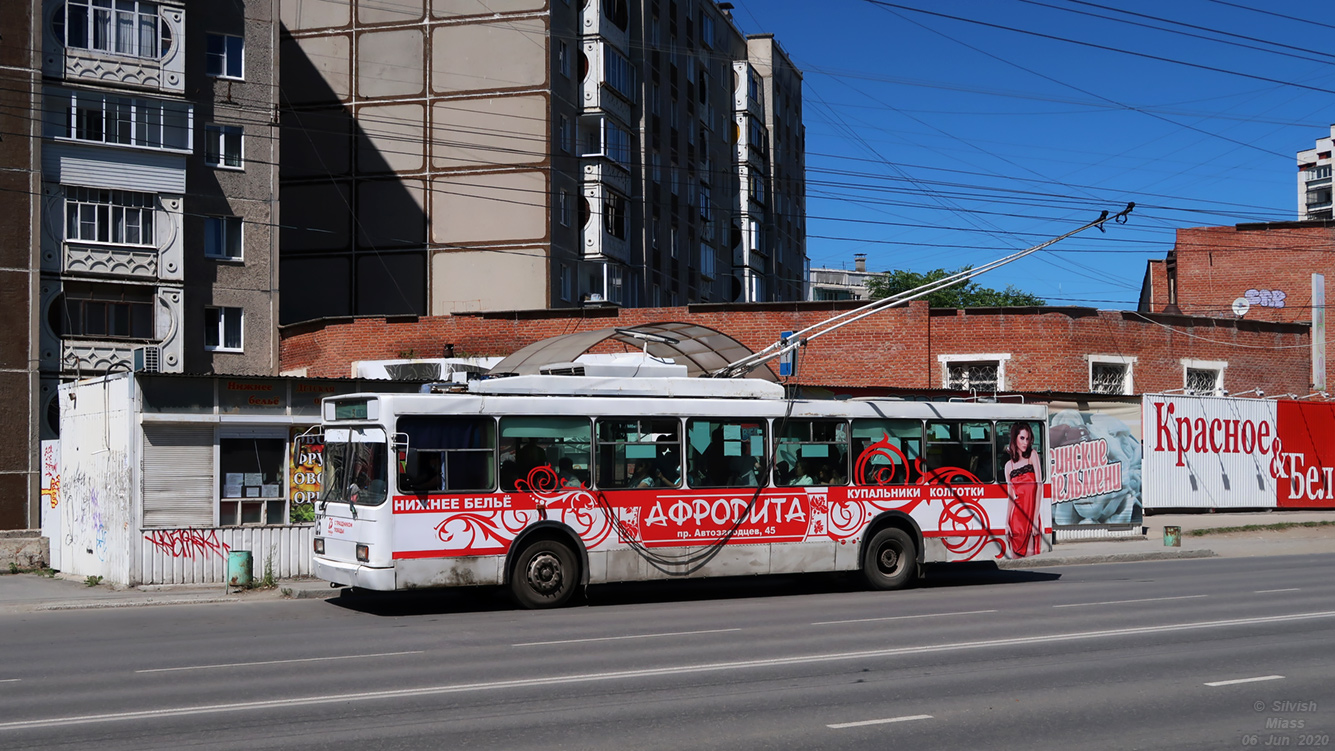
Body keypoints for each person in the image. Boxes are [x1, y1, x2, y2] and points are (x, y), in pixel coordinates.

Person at [1003, 422, 1043, 558]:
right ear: (1015, 438)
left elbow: (1039, 486)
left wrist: (1036, 518)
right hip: (1016, 519)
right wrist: (1006, 523)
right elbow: (1010, 497)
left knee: (1031, 557)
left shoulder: (1032, 456)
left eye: (1027, 439)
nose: (1025, 442)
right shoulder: (1009, 466)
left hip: (1031, 515)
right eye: (1022, 438)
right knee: (1016, 559)